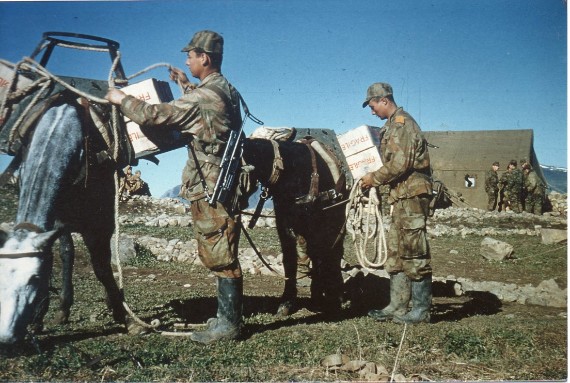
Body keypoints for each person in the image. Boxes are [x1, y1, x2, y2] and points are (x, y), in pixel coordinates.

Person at [106, 30, 245, 344]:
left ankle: (229, 326)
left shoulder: (203, 96)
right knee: (220, 247)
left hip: (209, 184)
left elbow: (154, 115)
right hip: (222, 178)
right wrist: (184, 82)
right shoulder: (226, 89)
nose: (187, 59)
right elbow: (204, 109)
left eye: (190, 56)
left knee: (219, 251)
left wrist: (119, 98)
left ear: (204, 58)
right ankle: (226, 317)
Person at [360, 82, 433, 324]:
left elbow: (400, 163)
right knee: (397, 251)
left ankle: (421, 311)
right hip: (400, 196)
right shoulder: (392, 125)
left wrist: (374, 178)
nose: (372, 112)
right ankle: (398, 305)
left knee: (414, 250)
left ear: (384, 100)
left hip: (411, 195)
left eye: (372, 106)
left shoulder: (402, 124)